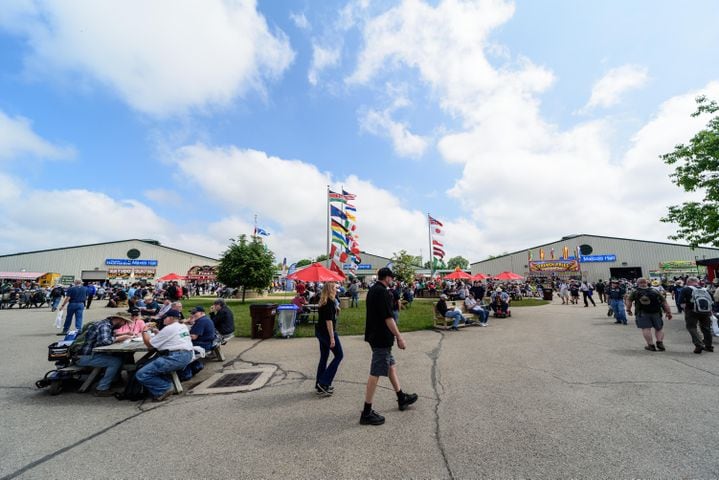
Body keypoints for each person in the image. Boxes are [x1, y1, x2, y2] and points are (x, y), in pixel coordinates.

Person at [360, 267, 418, 425]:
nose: (392, 280)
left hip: (374, 335)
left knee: (391, 366)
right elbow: (388, 317)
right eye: (391, 278)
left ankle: (401, 398)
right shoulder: (383, 292)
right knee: (376, 372)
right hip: (381, 338)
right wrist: (399, 337)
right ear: (387, 277)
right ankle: (366, 412)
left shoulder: (372, 290)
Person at [136, 310, 194, 402]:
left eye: (164, 317)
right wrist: (158, 332)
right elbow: (170, 338)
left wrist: (144, 331)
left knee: (142, 373)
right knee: (147, 364)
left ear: (170, 318)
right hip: (187, 355)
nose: (162, 320)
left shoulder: (169, 328)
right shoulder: (182, 326)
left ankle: (163, 388)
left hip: (175, 357)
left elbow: (149, 345)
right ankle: (164, 385)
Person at [73, 313, 132, 396]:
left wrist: (121, 335)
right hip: (84, 357)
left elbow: (104, 336)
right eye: (125, 322)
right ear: (120, 319)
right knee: (115, 361)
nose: (124, 325)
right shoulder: (105, 326)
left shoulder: (105, 324)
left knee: (121, 356)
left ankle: (114, 380)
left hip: (87, 355)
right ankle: (102, 388)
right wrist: (119, 338)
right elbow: (105, 341)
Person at [625, 278, 673, 351]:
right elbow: (664, 302)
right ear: (647, 283)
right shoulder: (655, 291)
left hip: (642, 313)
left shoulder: (635, 292)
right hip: (656, 312)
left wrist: (628, 309)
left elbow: (629, 300)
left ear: (638, 283)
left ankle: (651, 345)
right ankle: (660, 342)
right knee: (659, 328)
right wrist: (668, 312)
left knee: (646, 328)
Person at [315, 282, 343, 396]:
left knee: (324, 357)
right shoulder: (329, 302)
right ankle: (324, 382)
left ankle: (320, 384)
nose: (337, 290)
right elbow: (329, 321)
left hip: (320, 332)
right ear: (331, 289)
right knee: (339, 355)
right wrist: (332, 338)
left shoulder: (323, 301)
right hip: (327, 333)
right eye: (335, 288)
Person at [679, 277, 714, 354]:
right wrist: (710, 311)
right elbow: (712, 301)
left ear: (688, 282)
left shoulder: (686, 289)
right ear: (697, 282)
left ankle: (699, 344)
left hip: (692, 311)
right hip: (706, 311)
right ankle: (709, 346)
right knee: (706, 328)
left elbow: (681, 302)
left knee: (691, 327)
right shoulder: (705, 289)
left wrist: (685, 310)